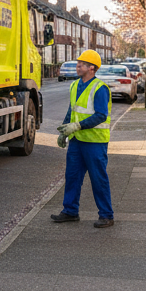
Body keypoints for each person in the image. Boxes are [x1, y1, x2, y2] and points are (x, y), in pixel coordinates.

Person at [51, 49, 115, 228]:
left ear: (92, 68)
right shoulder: (74, 85)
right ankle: (70, 211)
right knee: (72, 176)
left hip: (95, 142)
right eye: (78, 63)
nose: (77, 66)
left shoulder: (100, 88)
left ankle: (106, 215)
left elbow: (101, 115)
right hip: (77, 141)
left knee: (98, 179)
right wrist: (65, 130)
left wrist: (77, 126)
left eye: (82, 64)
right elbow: (72, 110)